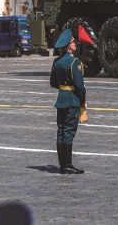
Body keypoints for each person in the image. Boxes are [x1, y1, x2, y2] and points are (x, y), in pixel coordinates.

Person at [50, 29, 86, 174]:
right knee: (69, 131)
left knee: (61, 130)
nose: (75, 44)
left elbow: (53, 83)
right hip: (72, 99)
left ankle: (62, 164)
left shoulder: (56, 62)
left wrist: (63, 87)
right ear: (69, 45)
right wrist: (82, 101)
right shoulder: (75, 63)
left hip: (61, 99)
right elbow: (80, 86)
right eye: (73, 42)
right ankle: (67, 165)